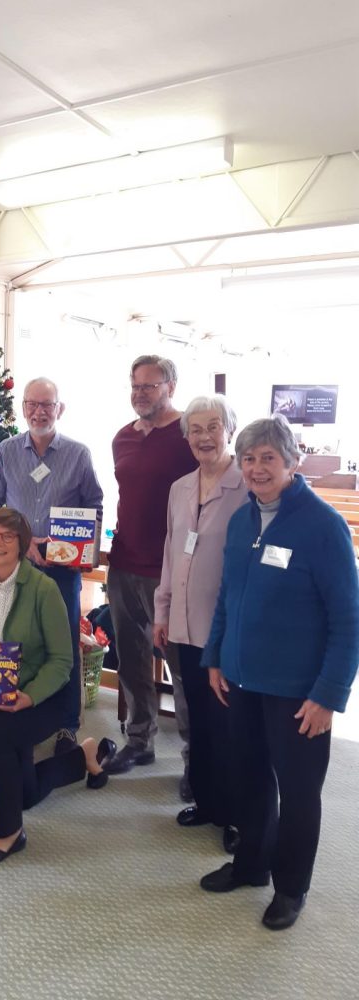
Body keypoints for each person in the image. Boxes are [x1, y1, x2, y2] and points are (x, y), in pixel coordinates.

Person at [199, 416, 359, 930]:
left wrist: (329, 694)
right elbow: (229, 595)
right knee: (248, 779)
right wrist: (216, 655)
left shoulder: (322, 525)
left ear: (291, 462)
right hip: (242, 681)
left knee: (298, 791)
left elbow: (348, 619)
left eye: (268, 457)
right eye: (248, 458)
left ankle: (291, 887)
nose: (256, 468)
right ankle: (251, 865)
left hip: (298, 693)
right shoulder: (243, 520)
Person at [0, 508, 115, 866]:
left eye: (7, 536)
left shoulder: (43, 589)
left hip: (46, 695)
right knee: (23, 793)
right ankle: (84, 756)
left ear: (22, 543)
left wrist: (28, 696)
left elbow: (63, 661)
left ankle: (9, 832)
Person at [0, 377, 103, 755]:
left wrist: (76, 547)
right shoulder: (6, 451)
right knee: (10, 640)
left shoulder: (79, 454)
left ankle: (66, 724)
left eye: (47, 405)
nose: (39, 411)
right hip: (14, 567)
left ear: (60, 409)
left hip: (61, 571)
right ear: (22, 407)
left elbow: (95, 507)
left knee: (62, 645)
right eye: (32, 404)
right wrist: (23, 540)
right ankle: (9, 710)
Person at [153, 395, 248, 851]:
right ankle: (208, 802)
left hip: (227, 630)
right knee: (201, 722)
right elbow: (173, 553)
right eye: (196, 429)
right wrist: (162, 609)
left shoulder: (247, 486)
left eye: (214, 427)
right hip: (185, 627)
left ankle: (237, 815)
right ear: (186, 435)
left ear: (229, 429)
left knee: (230, 725)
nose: (205, 437)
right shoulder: (180, 488)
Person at [106, 355, 197, 789]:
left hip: (172, 572)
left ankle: (195, 758)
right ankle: (140, 740)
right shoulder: (122, 437)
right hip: (123, 565)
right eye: (135, 385)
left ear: (171, 386)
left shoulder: (187, 435)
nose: (141, 393)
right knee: (132, 661)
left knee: (181, 667)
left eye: (150, 385)